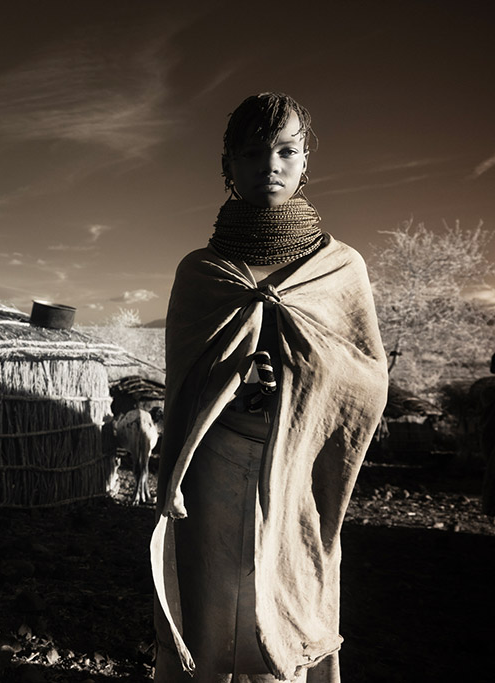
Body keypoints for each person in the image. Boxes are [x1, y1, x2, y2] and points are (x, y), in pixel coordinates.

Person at [150, 93, 389, 683]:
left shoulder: (340, 269)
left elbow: (364, 375)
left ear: (307, 161)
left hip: (301, 461)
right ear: (228, 165)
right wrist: (230, 381)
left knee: (288, 586)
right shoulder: (200, 273)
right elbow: (181, 380)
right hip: (213, 463)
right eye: (253, 153)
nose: (270, 165)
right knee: (212, 595)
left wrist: (299, 377)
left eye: (286, 151)